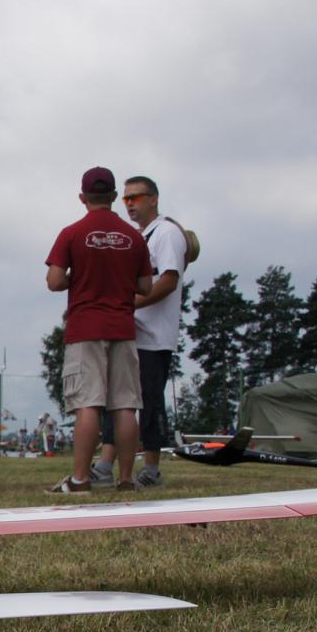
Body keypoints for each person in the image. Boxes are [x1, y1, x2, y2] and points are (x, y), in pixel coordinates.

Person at [44, 166, 153, 494]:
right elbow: (145, 286)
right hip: (123, 328)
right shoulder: (134, 237)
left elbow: (54, 281)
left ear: (83, 197)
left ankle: (81, 479)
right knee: (125, 406)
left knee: (87, 404)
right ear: (114, 196)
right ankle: (126, 479)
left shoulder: (72, 233)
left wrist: (76, 277)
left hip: (85, 328)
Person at [90, 175, 187, 488]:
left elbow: (168, 280)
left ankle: (152, 469)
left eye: (136, 197)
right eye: (126, 198)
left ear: (154, 199)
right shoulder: (139, 236)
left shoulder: (166, 233)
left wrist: (128, 304)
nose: (130, 204)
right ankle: (105, 465)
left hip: (154, 336)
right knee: (117, 401)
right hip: (130, 331)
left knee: (149, 402)